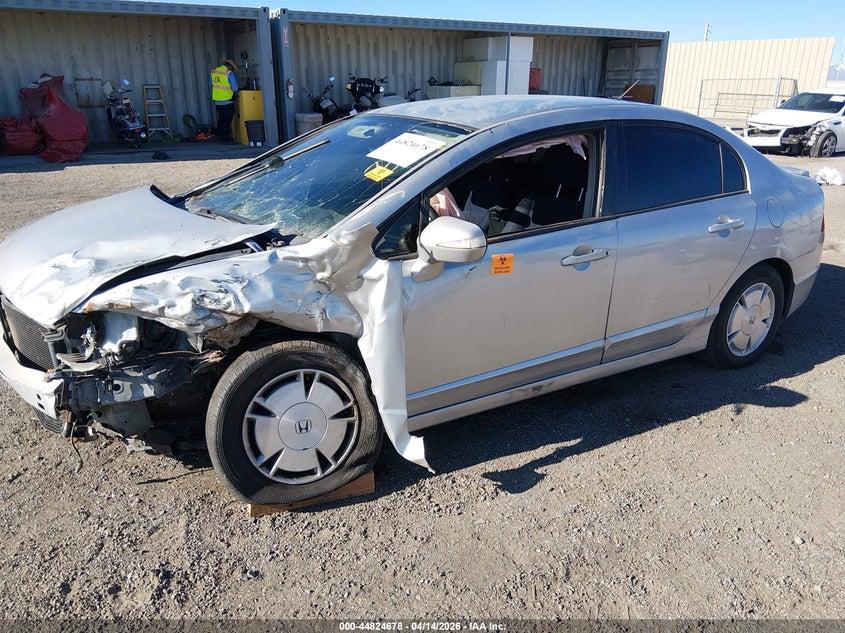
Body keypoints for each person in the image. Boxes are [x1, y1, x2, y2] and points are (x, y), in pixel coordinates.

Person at [210, 59, 239, 143]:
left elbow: (211, 84)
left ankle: (221, 136)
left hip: (217, 101)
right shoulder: (229, 73)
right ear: (230, 66)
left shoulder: (214, 72)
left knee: (221, 119)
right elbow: (235, 88)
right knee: (226, 120)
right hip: (227, 101)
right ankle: (225, 139)